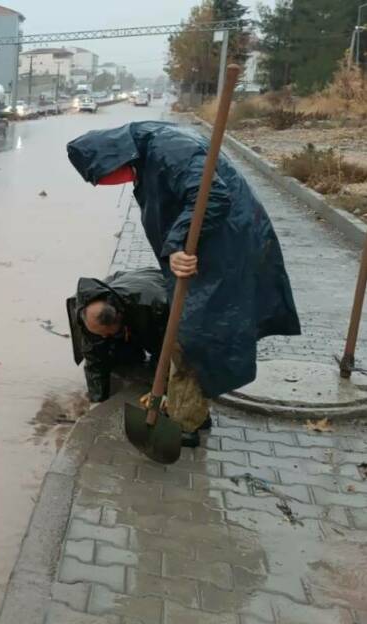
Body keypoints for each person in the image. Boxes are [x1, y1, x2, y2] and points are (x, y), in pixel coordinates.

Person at [67, 122, 301, 447]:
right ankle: (190, 412)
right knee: (190, 336)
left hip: (225, 249)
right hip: (207, 250)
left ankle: (184, 423)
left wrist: (177, 245)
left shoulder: (169, 147)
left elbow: (213, 195)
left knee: (191, 336)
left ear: (113, 156)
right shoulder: (148, 151)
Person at [67, 268, 169, 405]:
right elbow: (94, 360)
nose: (103, 337)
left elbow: (170, 352)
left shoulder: (155, 307)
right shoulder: (88, 315)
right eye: (98, 333)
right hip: (122, 284)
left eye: (107, 333)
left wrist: (162, 389)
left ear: (118, 317)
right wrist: (97, 402)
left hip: (157, 290)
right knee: (115, 355)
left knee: (165, 358)